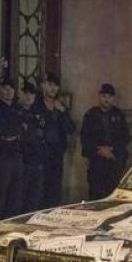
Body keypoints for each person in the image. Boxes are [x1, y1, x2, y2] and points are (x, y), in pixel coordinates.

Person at [80, 83, 130, 200]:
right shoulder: (90, 115)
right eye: (104, 96)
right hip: (96, 160)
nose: (106, 99)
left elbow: (126, 137)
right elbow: (85, 137)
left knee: (112, 194)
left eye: (109, 97)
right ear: (99, 97)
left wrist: (111, 149)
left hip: (114, 160)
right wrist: (100, 151)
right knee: (95, 194)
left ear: (113, 98)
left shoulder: (119, 115)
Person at [0, 77, 25, 223]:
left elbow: (23, 131)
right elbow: (4, 130)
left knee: (15, 199)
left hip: (17, 156)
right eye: (5, 88)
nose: (9, 91)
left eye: (11, 88)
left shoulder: (17, 108)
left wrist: (15, 134)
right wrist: (14, 133)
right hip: (2, 157)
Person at [32, 73, 75, 209]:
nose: (53, 88)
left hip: (56, 155)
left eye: (56, 85)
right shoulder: (36, 104)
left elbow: (70, 128)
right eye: (50, 84)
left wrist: (62, 111)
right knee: (38, 192)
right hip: (39, 156)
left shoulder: (60, 107)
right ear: (43, 85)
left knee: (54, 192)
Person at [17, 80, 48, 214]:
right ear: (21, 94)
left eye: (32, 94)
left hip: (37, 161)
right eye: (26, 93)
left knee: (34, 198)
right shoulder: (17, 113)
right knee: (20, 197)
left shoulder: (38, 115)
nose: (29, 97)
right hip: (22, 161)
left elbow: (43, 136)